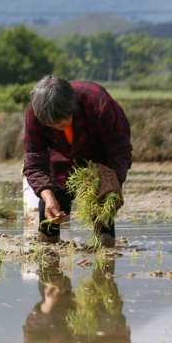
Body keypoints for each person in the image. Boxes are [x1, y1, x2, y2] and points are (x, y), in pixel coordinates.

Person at [23, 75, 132, 248]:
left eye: (61, 121)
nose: (57, 125)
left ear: (72, 107)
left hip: (98, 160)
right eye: (51, 124)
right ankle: (49, 264)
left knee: (104, 220)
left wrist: (112, 182)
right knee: (49, 217)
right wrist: (48, 195)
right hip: (59, 160)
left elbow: (120, 150)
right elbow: (34, 161)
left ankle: (105, 258)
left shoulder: (100, 105)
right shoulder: (36, 112)